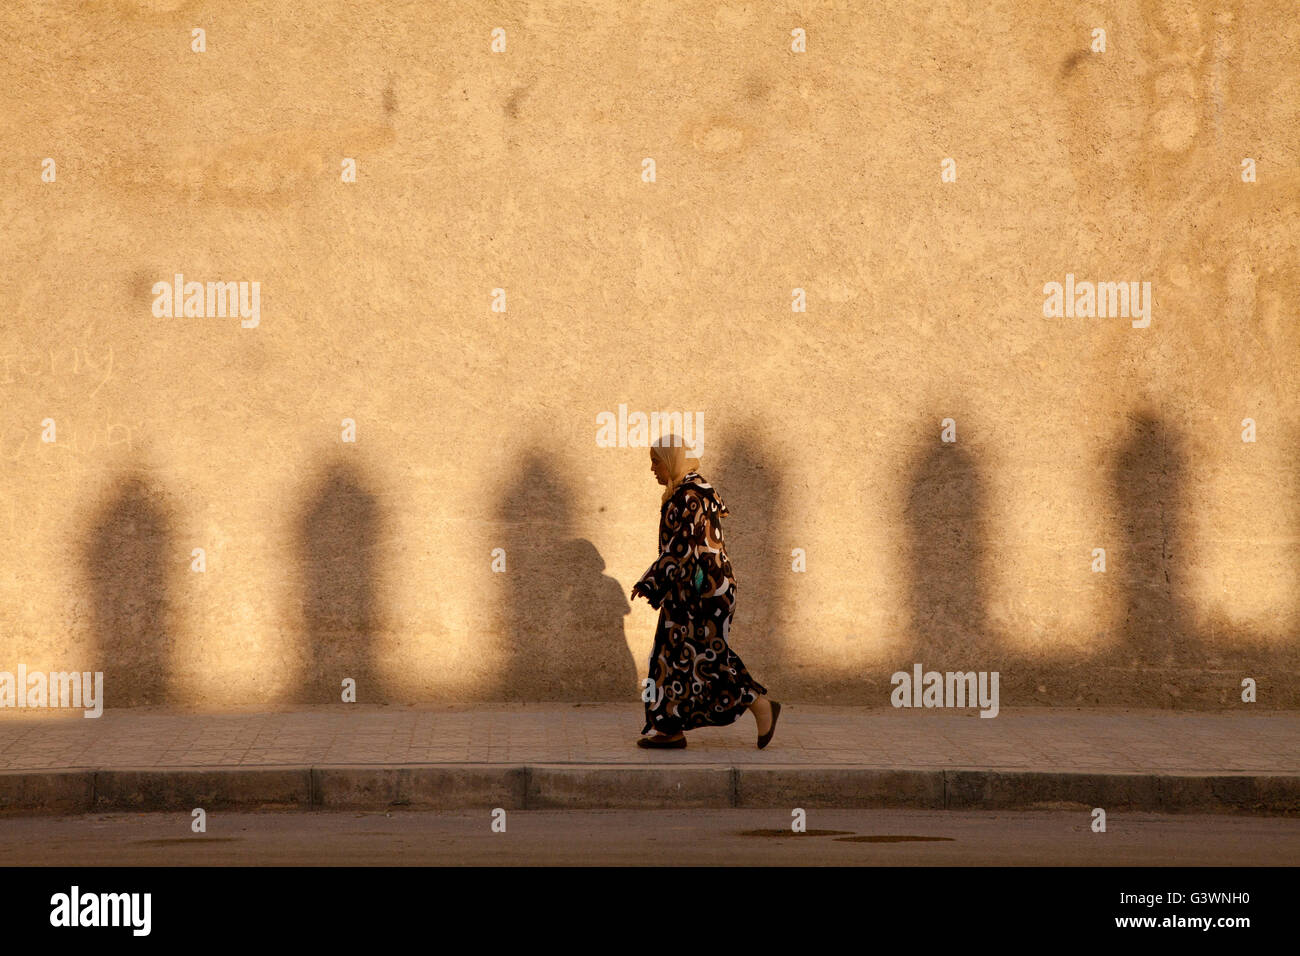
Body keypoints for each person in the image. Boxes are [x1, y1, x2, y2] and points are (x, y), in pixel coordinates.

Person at [630, 435, 780, 749]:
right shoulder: (687, 492)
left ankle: (759, 704)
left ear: (670, 460)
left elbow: (682, 547)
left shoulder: (691, 496)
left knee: (708, 657)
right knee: (674, 656)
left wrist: (650, 582)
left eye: (656, 461)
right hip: (691, 589)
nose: (652, 469)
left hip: (705, 591)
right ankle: (670, 728)